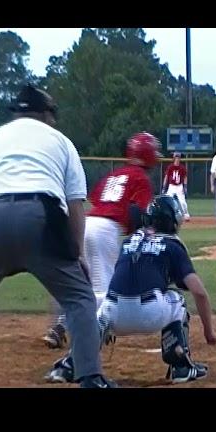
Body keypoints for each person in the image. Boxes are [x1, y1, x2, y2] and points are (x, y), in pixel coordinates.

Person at [0, 84, 116, 388]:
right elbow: (75, 205)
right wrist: (76, 254)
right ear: (46, 114)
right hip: (41, 217)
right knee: (79, 298)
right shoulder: (61, 141)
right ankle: (90, 377)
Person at [45, 194, 216, 385]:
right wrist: (209, 332)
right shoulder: (173, 244)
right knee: (176, 299)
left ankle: (71, 364)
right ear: (172, 220)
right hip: (150, 313)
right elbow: (199, 292)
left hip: (114, 314)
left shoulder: (130, 240)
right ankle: (181, 366)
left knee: (103, 309)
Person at [42, 132, 161, 349]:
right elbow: (140, 214)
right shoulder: (141, 179)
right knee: (103, 291)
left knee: (83, 283)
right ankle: (81, 331)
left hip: (87, 224)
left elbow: (97, 199)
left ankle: (66, 326)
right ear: (149, 155)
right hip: (106, 230)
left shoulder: (116, 174)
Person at [162, 152, 190, 221]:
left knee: (182, 201)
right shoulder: (170, 167)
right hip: (171, 186)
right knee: (167, 200)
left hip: (179, 186)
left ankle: (186, 214)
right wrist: (164, 187)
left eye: (178, 158)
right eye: (176, 158)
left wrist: (185, 186)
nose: (177, 159)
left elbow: (185, 177)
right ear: (174, 159)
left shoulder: (182, 167)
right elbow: (166, 177)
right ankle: (167, 215)